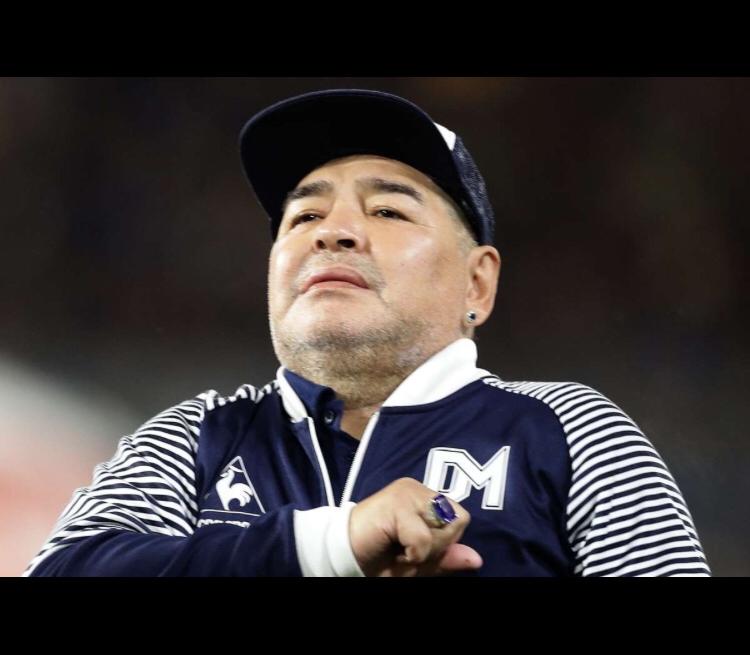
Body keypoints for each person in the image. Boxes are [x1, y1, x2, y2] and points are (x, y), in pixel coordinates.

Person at [24, 89, 711, 577]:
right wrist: (331, 545)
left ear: (477, 284)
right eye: (304, 217)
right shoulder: (195, 435)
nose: (335, 231)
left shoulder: (568, 429)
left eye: (387, 210)